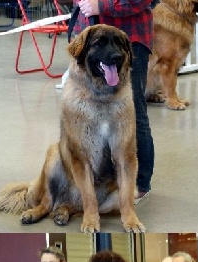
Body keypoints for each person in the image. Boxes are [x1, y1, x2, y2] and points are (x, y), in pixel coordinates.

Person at [75, 0, 155, 203]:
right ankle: (102, 183)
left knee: (133, 113)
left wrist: (100, 7)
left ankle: (139, 184)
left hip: (129, 41)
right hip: (87, 41)